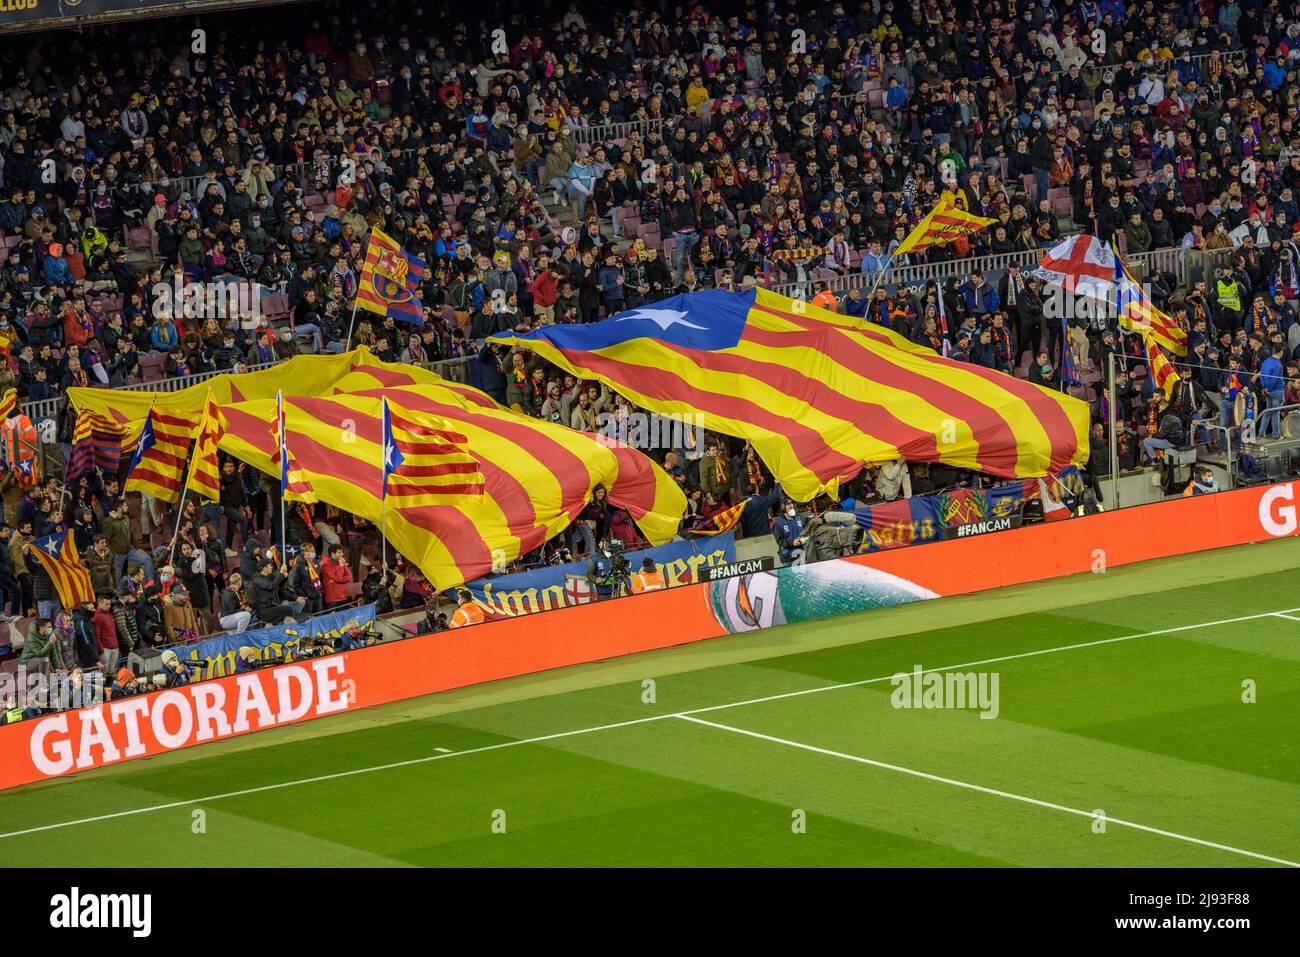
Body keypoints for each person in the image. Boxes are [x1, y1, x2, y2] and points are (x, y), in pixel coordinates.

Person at [774, 501, 806, 565]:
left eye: (793, 508)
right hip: (788, 557)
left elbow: (805, 532)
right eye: (790, 508)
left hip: (802, 554)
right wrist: (792, 542)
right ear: (784, 510)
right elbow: (780, 541)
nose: (792, 510)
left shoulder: (799, 518)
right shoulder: (778, 525)